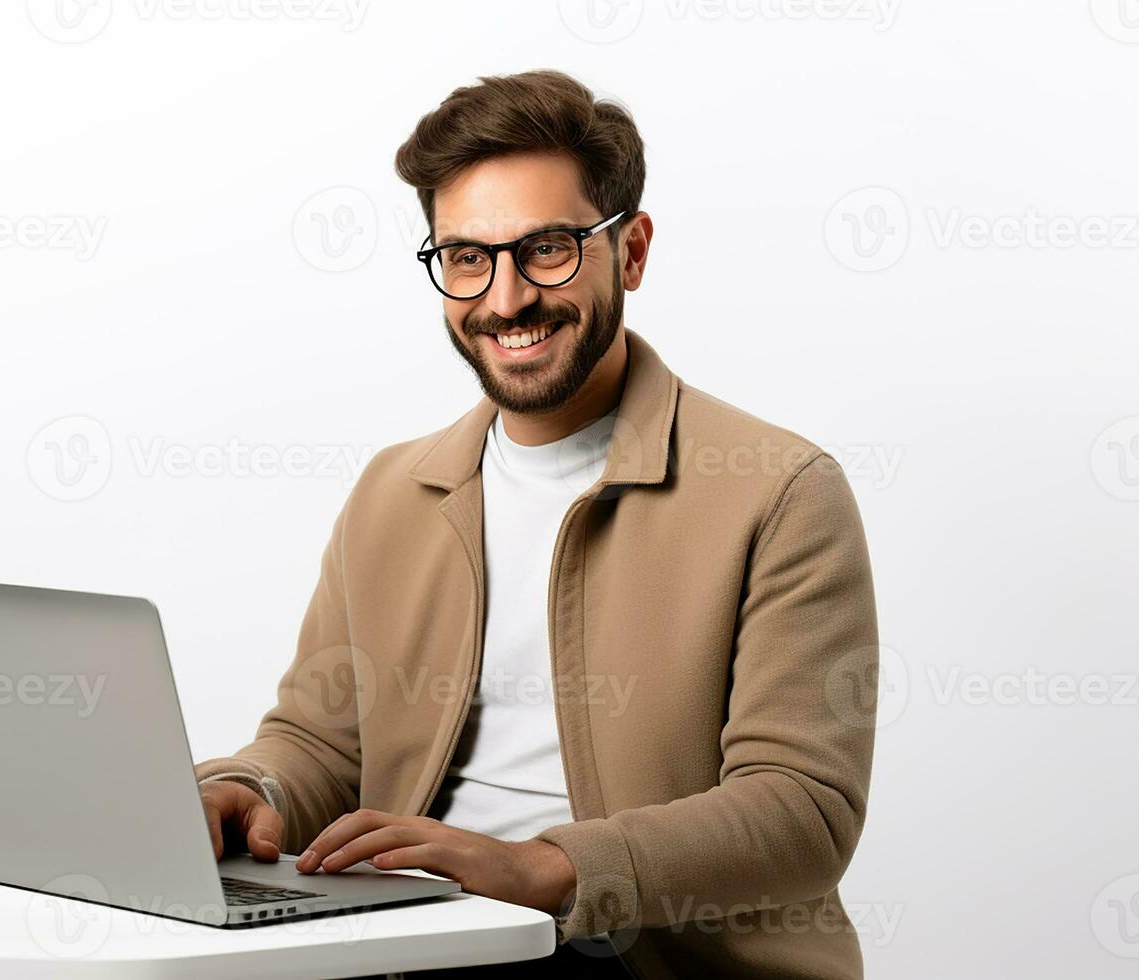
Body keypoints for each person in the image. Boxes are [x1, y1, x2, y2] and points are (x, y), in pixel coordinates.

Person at [195, 69, 879, 978]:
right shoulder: (393, 491)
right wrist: (248, 789)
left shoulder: (779, 491)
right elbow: (320, 743)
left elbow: (803, 811)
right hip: (413, 942)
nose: (507, 299)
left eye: (548, 248)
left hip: (634, 955)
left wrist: (541, 870)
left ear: (630, 252)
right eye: (468, 258)